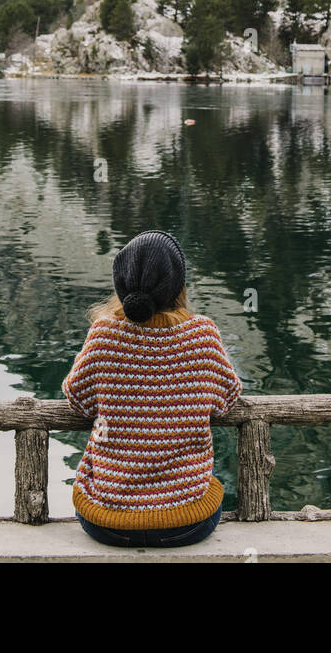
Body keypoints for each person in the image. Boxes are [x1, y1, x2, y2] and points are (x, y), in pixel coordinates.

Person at [61, 228, 242, 548]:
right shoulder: (203, 335)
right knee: (208, 488)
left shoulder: (104, 334)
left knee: (88, 488)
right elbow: (226, 398)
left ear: (120, 283)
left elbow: (79, 399)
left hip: (108, 523)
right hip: (188, 523)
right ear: (178, 286)